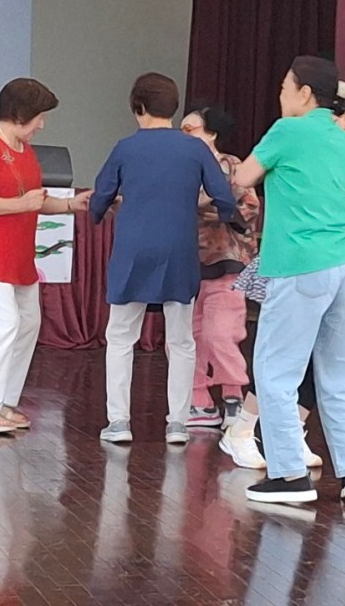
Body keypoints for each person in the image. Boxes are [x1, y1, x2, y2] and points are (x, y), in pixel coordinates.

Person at [233, 56, 345, 505]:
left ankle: (290, 476)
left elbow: (244, 177)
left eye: (285, 87)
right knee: (339, 374)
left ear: (305, 93)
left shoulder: (287, 130)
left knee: (275, 372)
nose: (280, 95)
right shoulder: (340, 136)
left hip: (298, 262)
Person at [91, 74, 239, 446]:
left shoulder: (125, 148)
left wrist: (98, 212)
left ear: (137, 107)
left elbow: (100, 197)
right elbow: (224, 196)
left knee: (121, 337)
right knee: (182, 340)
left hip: (133, 251)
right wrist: (228, 219)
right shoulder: (195, 149)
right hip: (179, 251)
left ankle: (119, 422)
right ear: (173, 108)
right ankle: (177, 423)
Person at [0, 78, 92, 434]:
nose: (42, 124)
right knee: (4, 327)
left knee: (27, 325)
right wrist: (20, 204)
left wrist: (70, 205)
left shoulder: (25, 151)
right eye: (38, 116)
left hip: (18, 257)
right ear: (20, 114)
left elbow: (36, 199)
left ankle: (3, 402)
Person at [179, 107, 261, 430]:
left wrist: (216, 211)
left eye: (191, 129)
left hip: (226, 260)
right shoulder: (179, 165)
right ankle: (198, 399)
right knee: (189, 335)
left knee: (221, 333)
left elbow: (249, 207)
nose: (184, 134)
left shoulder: (232, 165)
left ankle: (233, 394)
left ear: (212, 133)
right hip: (186, 261)